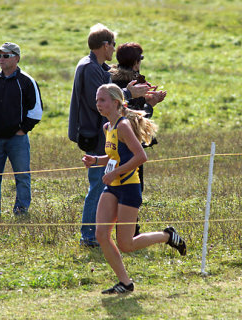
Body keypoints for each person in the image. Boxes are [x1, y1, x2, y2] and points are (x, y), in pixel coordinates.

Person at [82, 83, 186, 294]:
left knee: (126, 244)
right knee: (102, 235)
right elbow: (113, 157)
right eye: (96, 100)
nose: (98, 104)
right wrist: (96, 160)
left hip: (129, 187)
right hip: (112, 187)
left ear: (116, 102)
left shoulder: (122, 126)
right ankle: (125, 283)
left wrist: (114, 173)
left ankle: (167, 236)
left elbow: (141, 157)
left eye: (102, 100)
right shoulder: (107, 127)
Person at [68, 23, 150, 247]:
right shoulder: (90, 68)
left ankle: (99, 235)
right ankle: (90, 236)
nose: (114, 49)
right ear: (105, 45)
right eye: (112, 45)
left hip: (100, 134)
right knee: (98, 185)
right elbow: (101, 99)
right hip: (95, 135)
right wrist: (129, 93)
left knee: (103, 184)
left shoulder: (96, 66)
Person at [0, 42, 43, 219]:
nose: (1, 59)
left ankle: (21, 211)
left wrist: (23, 130)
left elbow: (36, 111)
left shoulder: (27, 81)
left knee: (22, 177)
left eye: (5, 55)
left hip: (18, 140)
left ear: (16, 58)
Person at [110, 42, 167, 192]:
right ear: (136, 63)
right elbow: (136, 119)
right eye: (140, 59)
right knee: (133, 188)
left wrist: (146, 99)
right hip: (130, 144)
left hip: (113, 141)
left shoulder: (113, 81)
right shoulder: (131, 84)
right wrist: (150, 104)